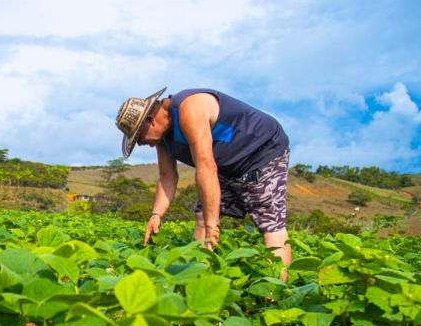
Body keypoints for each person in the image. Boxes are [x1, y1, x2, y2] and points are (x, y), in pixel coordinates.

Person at [115, 87, 292, 281]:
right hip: (228, 163)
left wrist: (212, 224)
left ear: (150, 120)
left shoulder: (189, 108)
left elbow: (206, 166)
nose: (140, 144)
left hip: (261, 151)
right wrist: (156, 214)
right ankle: (197, 279)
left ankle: (276, 293)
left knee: (269, 221)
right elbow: (167, 176)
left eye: (138, 137)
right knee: (202, 213)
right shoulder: (163, 138)